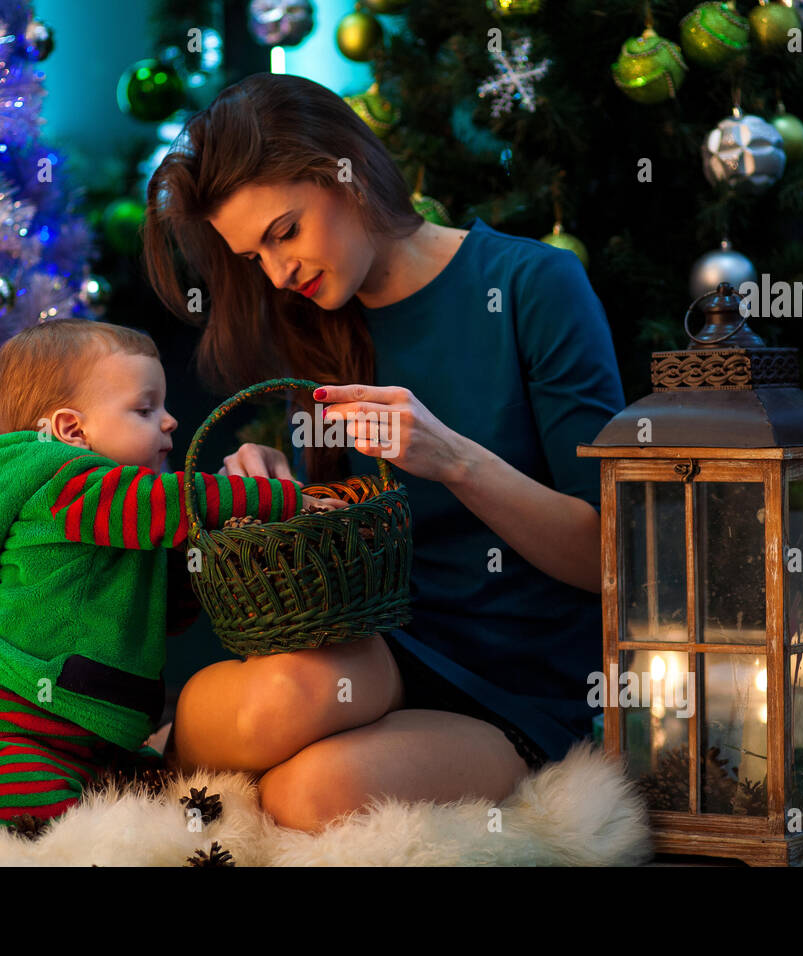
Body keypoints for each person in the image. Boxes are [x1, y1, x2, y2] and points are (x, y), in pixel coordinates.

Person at [143, 72, 627, 834]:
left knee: (305, 794)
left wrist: (457, 461)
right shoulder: (317, 319)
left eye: (284, 232)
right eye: (253, 257)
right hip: (378, 652)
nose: (278, 273)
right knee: (262, 705)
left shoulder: (534, 284)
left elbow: (611, 555)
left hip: (514, 684)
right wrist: (276, 488)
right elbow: (351, 526)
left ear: (348, 171)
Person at [0, 319, 326, 836]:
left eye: (163, 407)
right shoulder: (59, 482)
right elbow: (161, 505)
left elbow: (167, 610)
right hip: (7, 731)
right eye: (145, 409)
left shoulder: (120, 523)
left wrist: (216, 551)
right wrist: (277, 498)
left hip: (98, 740)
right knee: (43, 811)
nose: (169, 422)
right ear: (73, 431)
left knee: (151, 796)